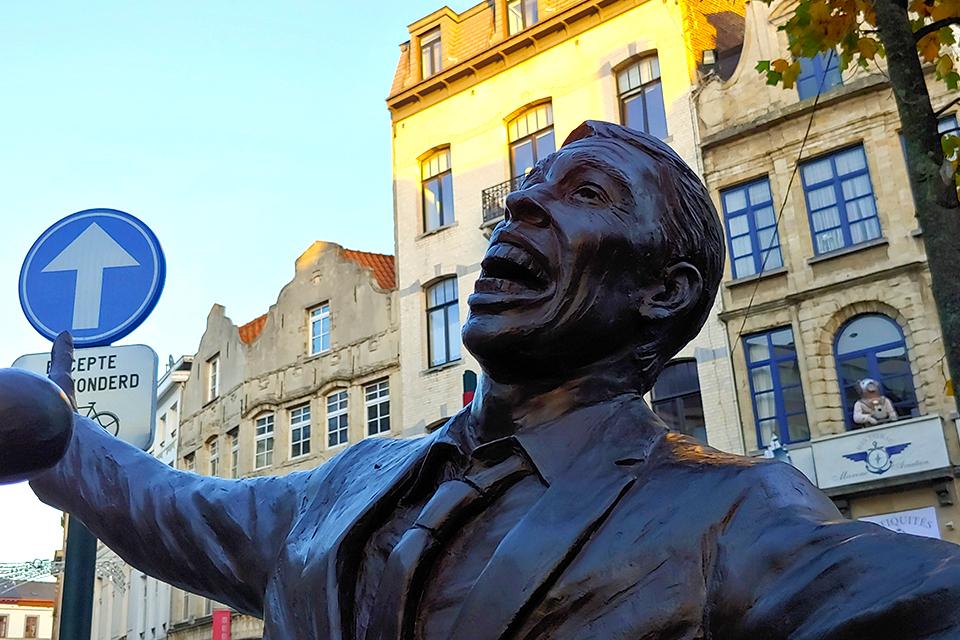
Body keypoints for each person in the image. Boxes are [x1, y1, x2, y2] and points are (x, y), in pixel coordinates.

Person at [4, 121, 960, 639]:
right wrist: (53, 432)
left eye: (583, 194)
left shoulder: (737, 516)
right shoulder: (352, 482)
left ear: (663, 293)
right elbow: (173, 508)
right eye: (525, 192)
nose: (521, 207)